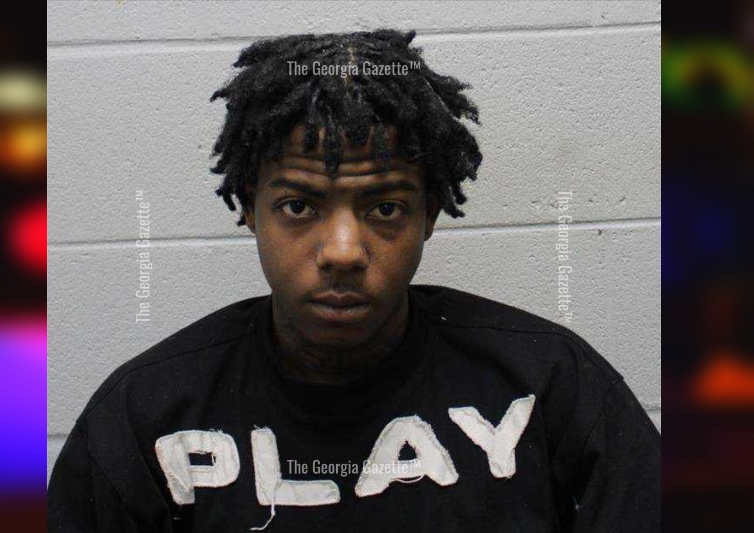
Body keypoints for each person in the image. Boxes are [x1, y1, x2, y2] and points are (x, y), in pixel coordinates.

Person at [48, 29, 660, 532]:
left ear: (430, 215)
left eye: (385, 208)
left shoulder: (549, 386)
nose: (343, 251)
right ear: (249, 207)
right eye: (298, 206)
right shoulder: (146, 416)